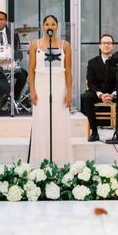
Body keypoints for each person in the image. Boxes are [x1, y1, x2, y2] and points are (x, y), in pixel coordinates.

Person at [28, 15, 73, 166]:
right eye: (47, 24)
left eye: (53, 24)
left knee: (59, 122)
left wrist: (69, 92)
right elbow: (31, 69)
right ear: (42, 27)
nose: (50, 26)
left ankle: (60, 161)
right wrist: (32, 90)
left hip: (59, 86)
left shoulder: (65, 45)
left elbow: (68, 71)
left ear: (57, 27)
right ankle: (41, 159)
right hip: (41, 86)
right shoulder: (35, 45)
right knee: (41, 121)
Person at [83, 34, 117, 142]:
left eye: (109, 43)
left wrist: (113, 94)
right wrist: (101, 95)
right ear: (99, 46)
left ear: (113, 46)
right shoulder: (92, 62)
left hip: (113, 93)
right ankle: (94, 132)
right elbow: (91, 82)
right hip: (98, 93)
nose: (106, 45)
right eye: (104, 43)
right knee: (87, 96)